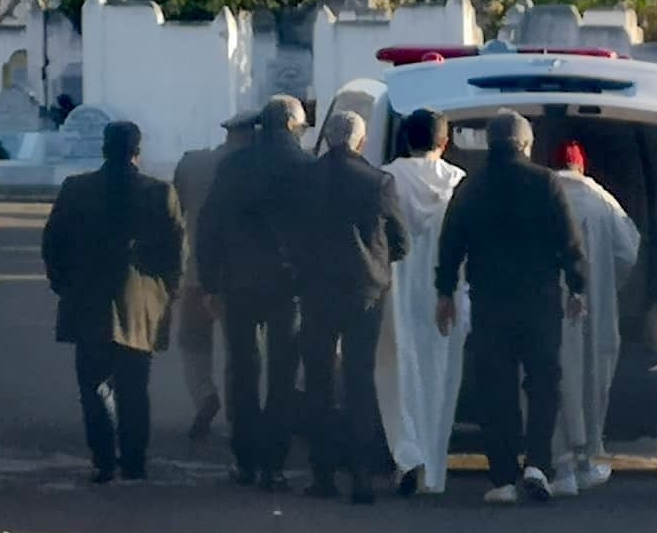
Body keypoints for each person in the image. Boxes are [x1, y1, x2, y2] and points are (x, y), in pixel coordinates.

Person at [435, 111, 588, 505]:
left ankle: (502, 476)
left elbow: (451, 243)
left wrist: (445, 292)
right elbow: (569, 241)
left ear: (491, 143)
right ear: (525, 143)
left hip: (490, 301)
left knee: (495, 387)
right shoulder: (546, 182)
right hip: (540, 300)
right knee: (542, 383)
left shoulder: (473, 186)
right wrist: (577, 287)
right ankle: (538, 463)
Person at [41, 121, 185, 484]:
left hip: (86, 298)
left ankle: (103, 459)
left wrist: (63, 284)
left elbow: (53, 244)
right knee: (134, 388)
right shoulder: (160, 193)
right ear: (138, 151)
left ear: (104, 149)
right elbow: (175, 254)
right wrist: (168, 293)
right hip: (141, 305)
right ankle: (134, 461)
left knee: (93, 385)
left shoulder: (76, 189)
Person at [197, 95, 313, 490]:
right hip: (290, 285)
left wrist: (210, 282)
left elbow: (209, 226)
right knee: (283, 374)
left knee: (242, 370)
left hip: (239, 281)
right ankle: (274, 463)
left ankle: (245, 459)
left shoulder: (233, 165)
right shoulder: (306, 167)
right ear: (294, 126)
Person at [295, 112, 410, 504]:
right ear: (360, 142)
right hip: (365, 291)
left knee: (319, 382)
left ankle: (322, 474)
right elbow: (401, 241)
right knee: (361, 382)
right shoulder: (378, 181)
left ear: (327, 138)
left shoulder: (305, 178)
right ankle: (362, 478)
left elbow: (287, 232)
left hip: (314, 290)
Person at [379, 110, 468, 496]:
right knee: (440, 377)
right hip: (444, 294)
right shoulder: (460, 183)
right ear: (444, 143)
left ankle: (406, 454)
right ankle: (434, 468)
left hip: (395, 290)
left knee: (395, 375)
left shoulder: (387, 179)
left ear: (405, 138)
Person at [550, 141, 641, 498]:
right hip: (597, 307)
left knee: (557, 377)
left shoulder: (545, 197)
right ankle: (588, 458)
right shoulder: (603, 201)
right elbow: (629, 251)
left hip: (553, 306)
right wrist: (609, 284)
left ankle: (560, 465)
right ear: (581, 168)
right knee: (593, 377)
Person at [172, 110, 260, 441]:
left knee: (193, 341)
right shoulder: (256, 169)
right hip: (243, 278)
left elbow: (175, 212)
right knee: (240, 349)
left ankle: (204, 395)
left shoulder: (193, 163)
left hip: (197, 271)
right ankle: (239, 414)